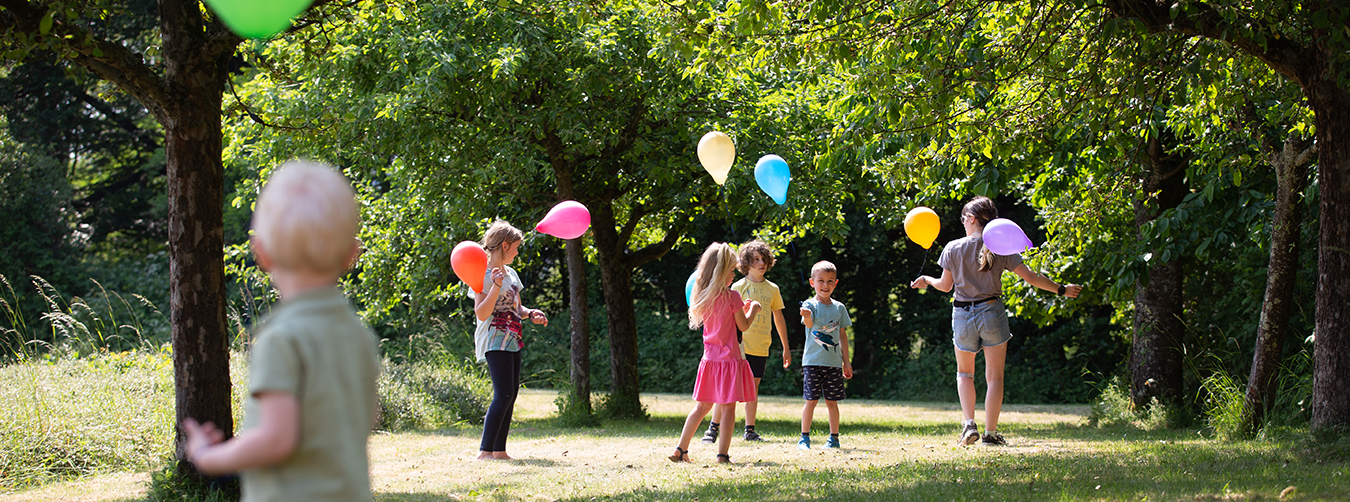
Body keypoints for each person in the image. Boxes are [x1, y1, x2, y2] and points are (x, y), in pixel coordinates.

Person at [182, 161, 381, 501]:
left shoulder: (280, 339)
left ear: (261, 252)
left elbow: (277, 439)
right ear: (352, 255)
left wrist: (209, 457)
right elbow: (368, 415)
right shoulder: (358, 334)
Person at [910, 196, 1082, 446]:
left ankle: (969, 426)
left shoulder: (953, 247)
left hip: (962, 315)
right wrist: (1061, 289)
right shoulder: (1000, 246)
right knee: (995, 378)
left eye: (963, 219)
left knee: (965, 373)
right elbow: (1031, 277)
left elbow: (946, 287)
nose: (962, 223)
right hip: (991, 311)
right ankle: (990, 434)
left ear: (971, 219)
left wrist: (927, 279)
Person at [670, 242, 761, 464]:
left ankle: (681, 449)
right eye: (731, 270)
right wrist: (754, 309)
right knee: (728, 408)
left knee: (701, 407)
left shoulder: (703, 298)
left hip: (709, 361)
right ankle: (722, 455)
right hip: (729, 361)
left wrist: (742, 308)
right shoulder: (732, 298)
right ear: (721, 272)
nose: (733, 275)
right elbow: (743, 326)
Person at [473, 220, 549, 461]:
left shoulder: (512, 274)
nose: (517, 252)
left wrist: (530, 313)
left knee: (511, 393)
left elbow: (516, 306)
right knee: (503, 393)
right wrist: (495, 286)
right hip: (495, 339)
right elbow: (482, 312)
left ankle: (499, 450)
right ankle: (485, 451)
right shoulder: (480, 274)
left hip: (514, 337)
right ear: (505, 246)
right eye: (515, 247)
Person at [702, 240, 788, 444]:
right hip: (737, 348)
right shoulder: (737, 286)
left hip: (760, 346)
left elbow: (778, 318)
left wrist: (785, 346)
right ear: (746, 263)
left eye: (764, 259)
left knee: (753, 388)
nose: (761, 263)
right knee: (726, 389)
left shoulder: (773, 289)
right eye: (756, 259)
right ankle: (713, 428)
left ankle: (750, 429)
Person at [797, 260, 853, 450]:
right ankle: (804, 438)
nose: (825, 285)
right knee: (811, 400)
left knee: (832, 402)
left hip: (834, 364)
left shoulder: (839, 308)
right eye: (820, 281)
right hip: (812, 362)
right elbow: (810, 324)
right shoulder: (809, 304)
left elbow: (843, 335)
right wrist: (805, 315)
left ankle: (834, 438)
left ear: (835, 283)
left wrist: (846, 362)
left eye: (830, 281)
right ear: (812, 283)